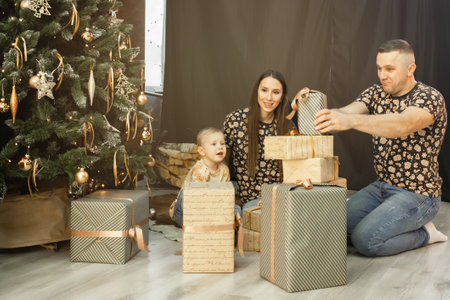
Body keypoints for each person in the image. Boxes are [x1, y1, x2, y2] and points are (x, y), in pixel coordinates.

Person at [314, 39, 448, 256]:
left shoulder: (429, 97)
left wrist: (351, 122)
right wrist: (312, 107)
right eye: (379, 68)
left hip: (419, 194)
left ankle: (426, 234)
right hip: (382, 187)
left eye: (390, 69)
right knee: (332, 228)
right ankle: (387, 221)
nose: (382, 75)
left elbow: (402, 125)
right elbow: (346, 112)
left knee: (366, 241)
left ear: (410, 69)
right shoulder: (376, 93)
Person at [223, 69, 294, 214]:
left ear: (282, 97)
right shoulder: (235, 120)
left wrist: (297, 106)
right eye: (264, 90)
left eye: (275, 92)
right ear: (257, 91)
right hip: (253, 202)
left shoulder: (287, 126)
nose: (269, 97)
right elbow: (221, 162)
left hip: (283, 197)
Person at [171, 127, 230, 227]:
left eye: (223, 143)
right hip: (186, 210)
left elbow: (224, 195)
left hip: (211, 206)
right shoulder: (200, 170)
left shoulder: (224, 170)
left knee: (235, 208)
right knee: (186, 195)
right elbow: (200, 199)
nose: (220, 147)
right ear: (202, 151)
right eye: (214, 144)